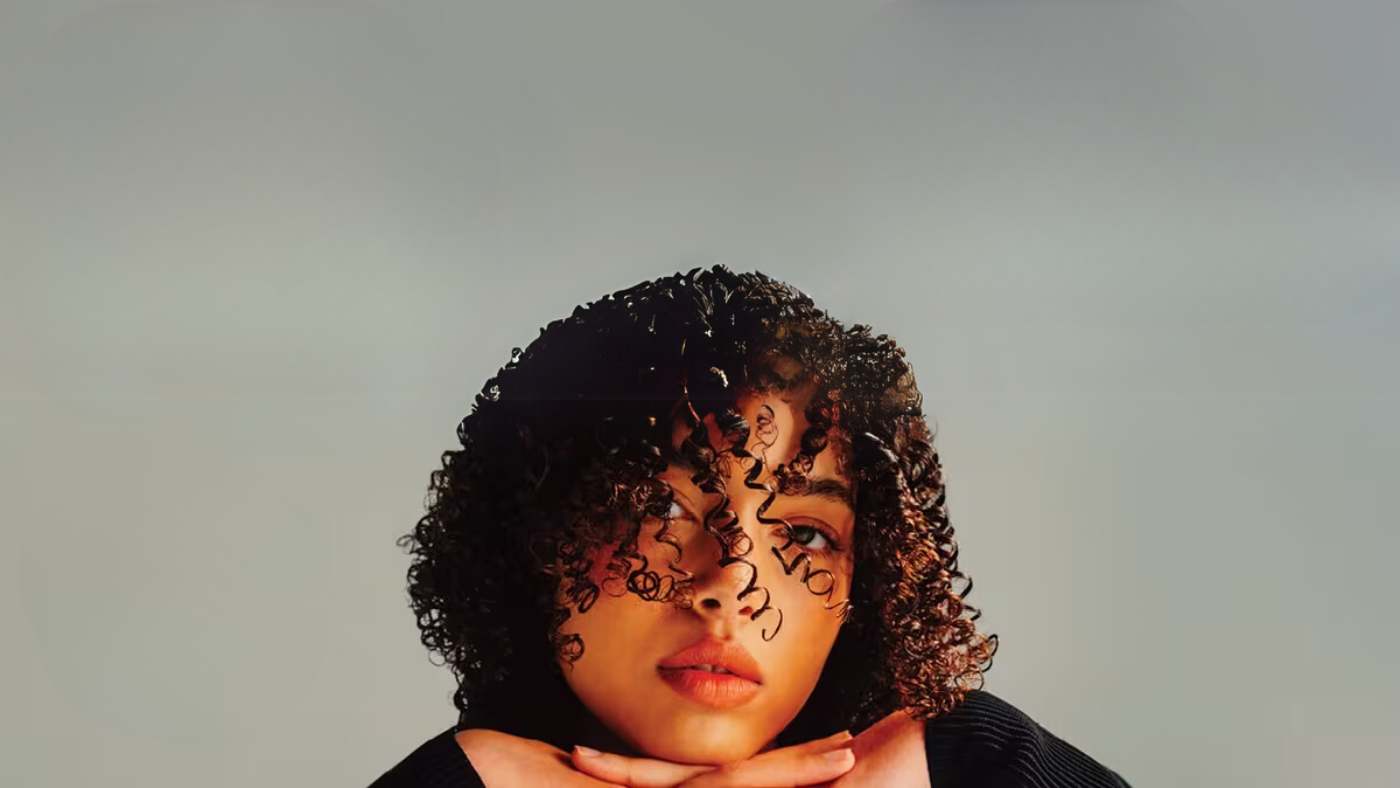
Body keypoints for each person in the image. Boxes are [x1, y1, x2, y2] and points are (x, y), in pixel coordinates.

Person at [371, 266, 1131, 786]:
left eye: (804, 535)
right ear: (535, 531)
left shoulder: (975, 770)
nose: (731, 582)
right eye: (660, 509)